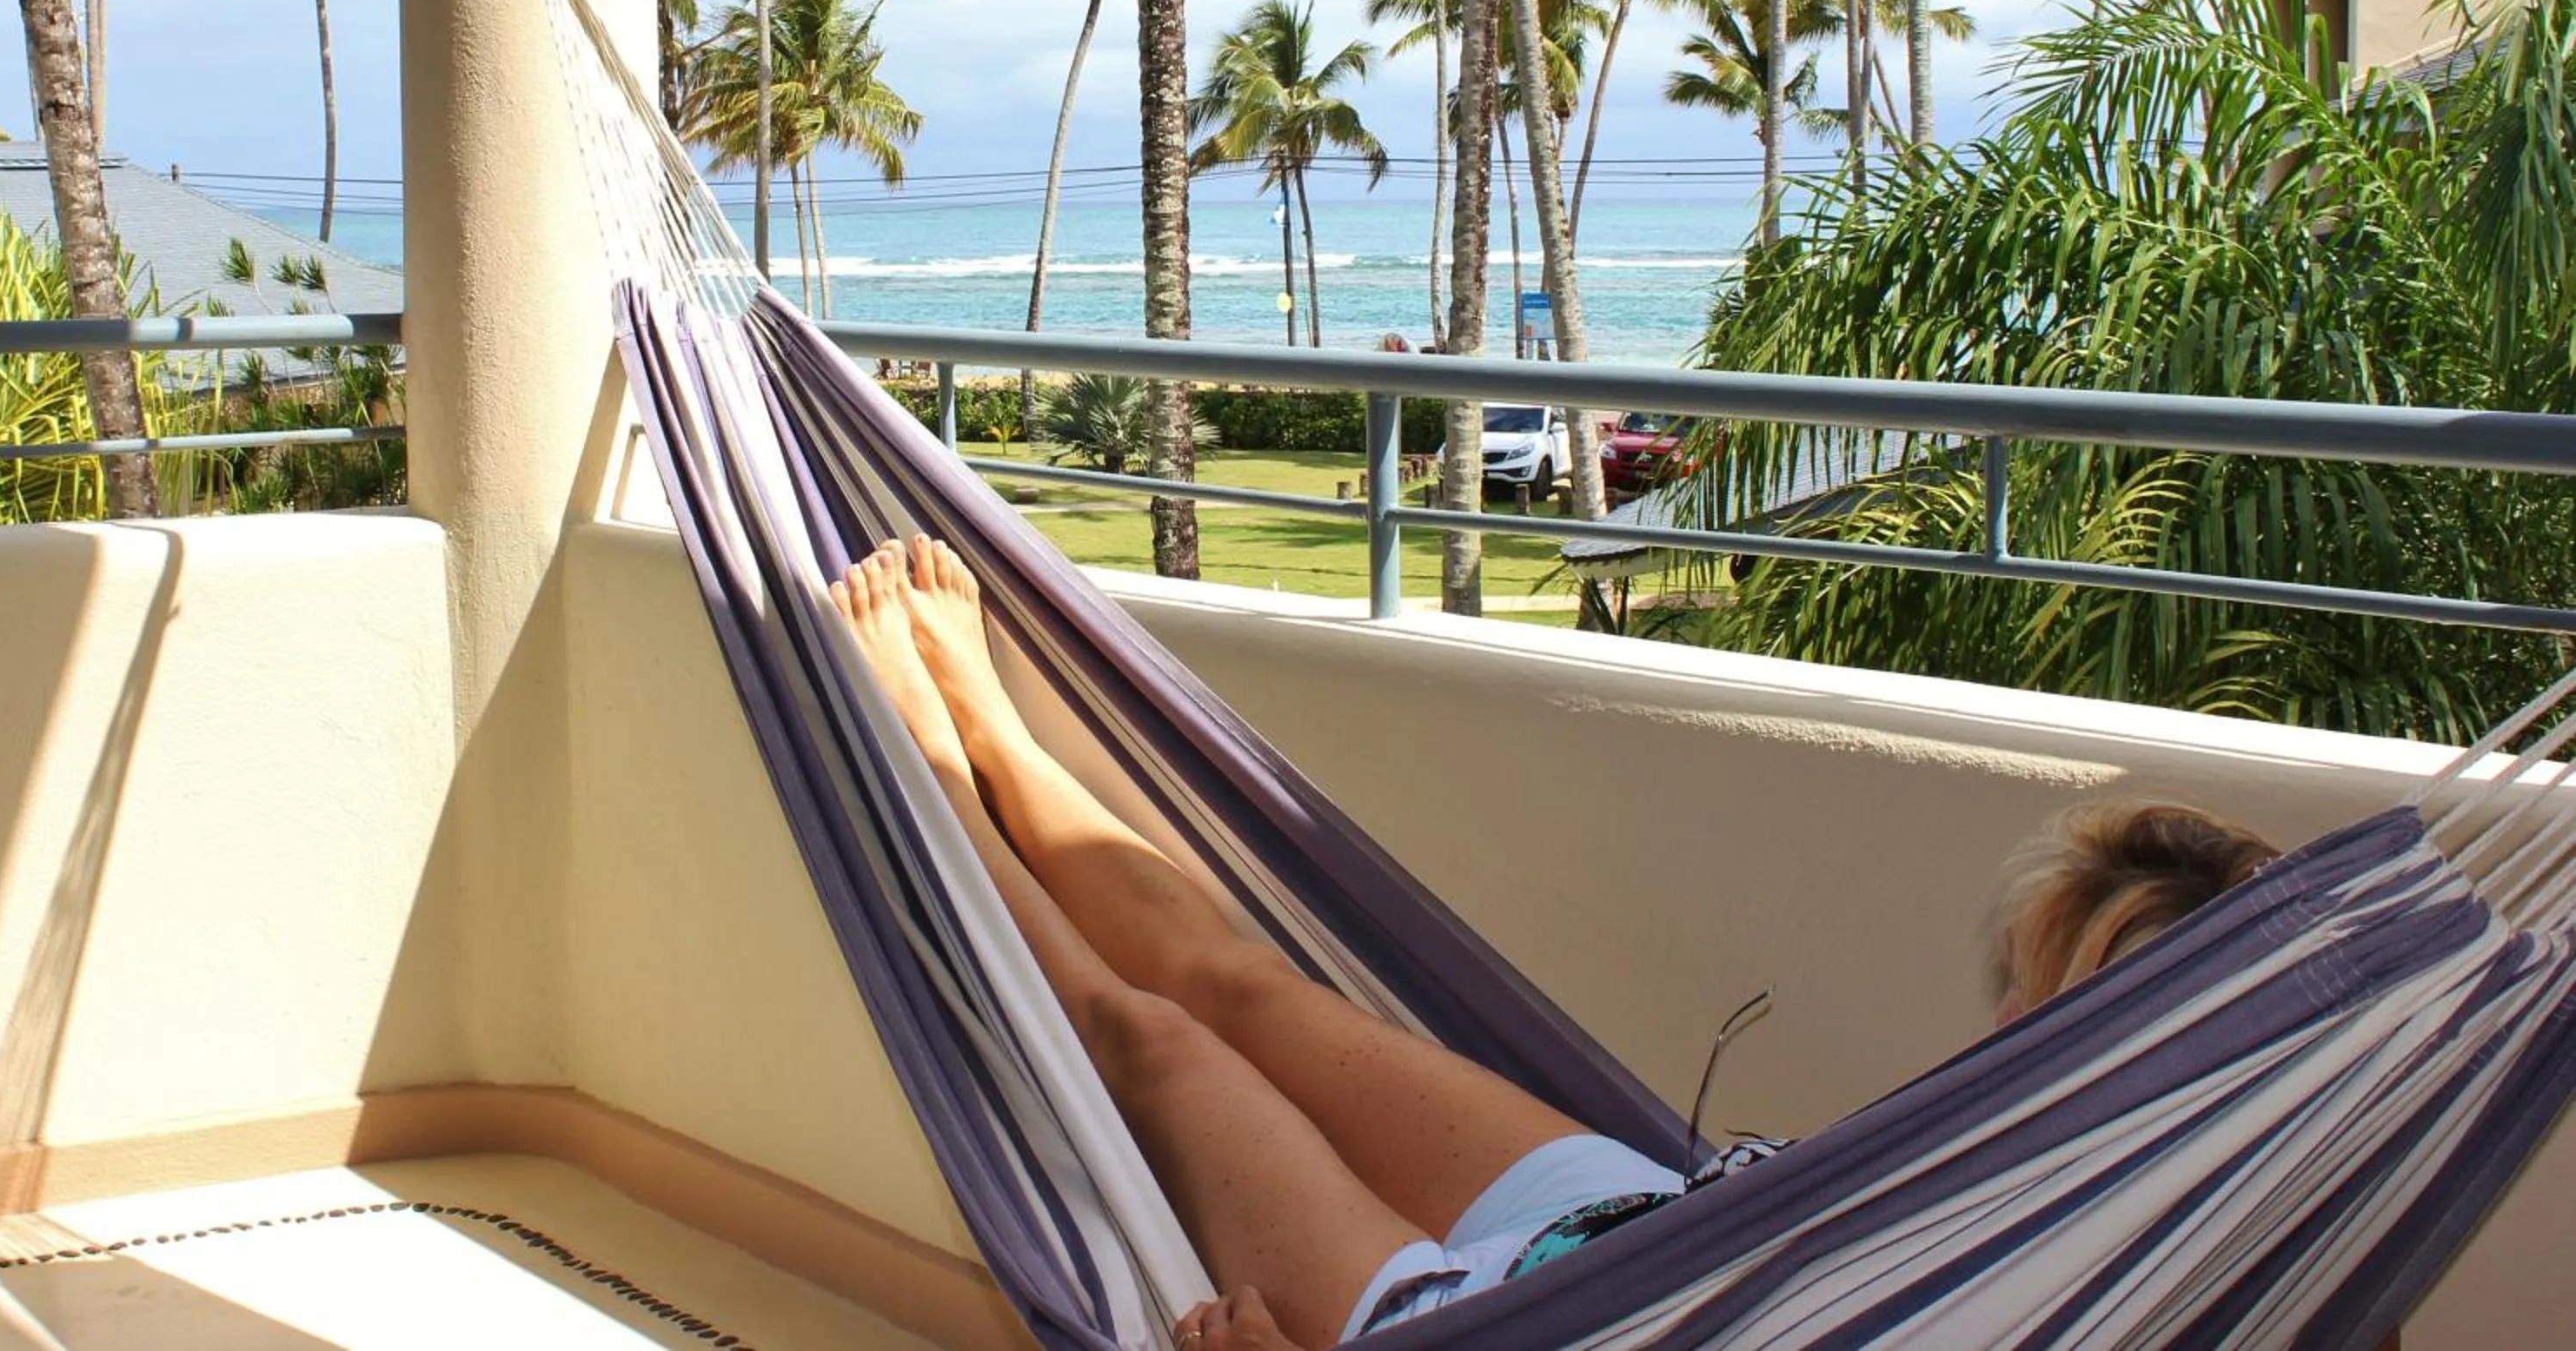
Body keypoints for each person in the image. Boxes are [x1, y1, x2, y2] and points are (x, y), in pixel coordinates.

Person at [832, 538, 2280, 1351]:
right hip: (1663, 1227)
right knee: (1248, 985)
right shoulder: (2135, 1194)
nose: (2003, 1036)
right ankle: (990, 722)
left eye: (2043, 1012)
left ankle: (922, 761)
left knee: (1153, 1042)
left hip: (1516, 1328)